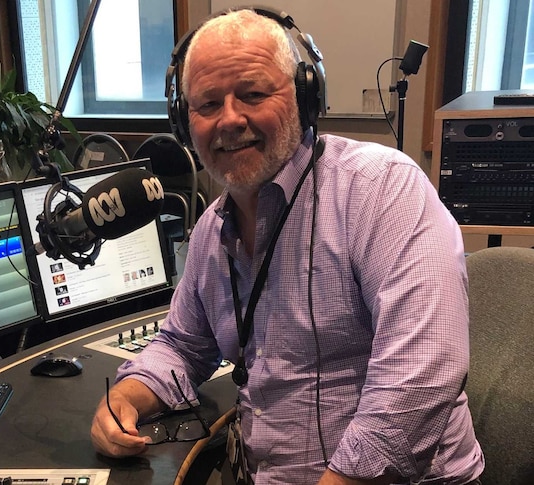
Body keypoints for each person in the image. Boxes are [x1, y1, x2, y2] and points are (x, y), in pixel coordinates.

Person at [90, 8, 484, 485]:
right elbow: (182, 346)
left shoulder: (382, 191)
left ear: (304, 96)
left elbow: (420, 376)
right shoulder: (211, 232)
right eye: (208, 104)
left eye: (253, 95)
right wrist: (127, 397)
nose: (230, 120)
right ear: (183, 121)